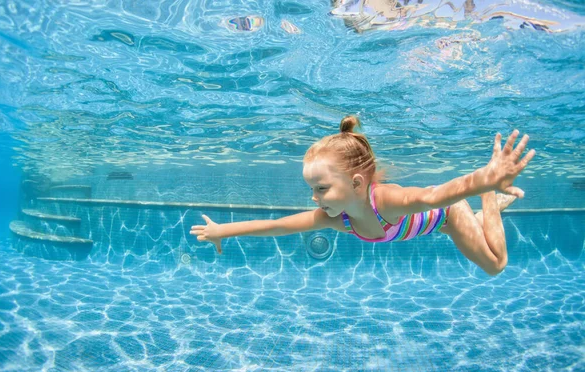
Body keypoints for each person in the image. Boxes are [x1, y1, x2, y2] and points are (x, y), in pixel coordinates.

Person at [190, 116, 536, 276]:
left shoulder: (386, 200)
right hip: (430, 227)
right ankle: (484, 208)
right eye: (312, 189)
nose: (314, 198)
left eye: (321, 188)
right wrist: (223, 231)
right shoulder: (336, 218)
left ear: (357, 183)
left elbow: (435, 196)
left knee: (496, 265)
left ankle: (489, 202)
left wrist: (486, 181)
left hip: (450, 215)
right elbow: (278, 225)